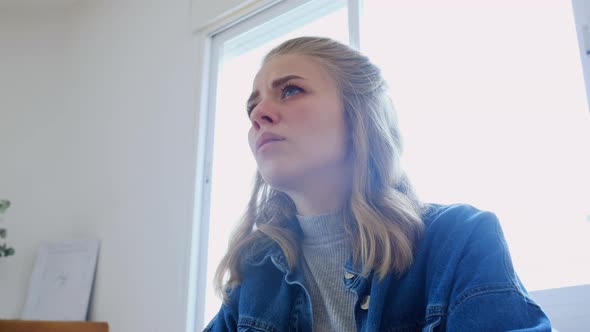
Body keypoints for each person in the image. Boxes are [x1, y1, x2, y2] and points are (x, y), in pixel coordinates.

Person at [204, 36, 551, 331]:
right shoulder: (253, 276)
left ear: (359, 114)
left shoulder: (460, 240)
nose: (258, 114)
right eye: (252, 105)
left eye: (291, 90)